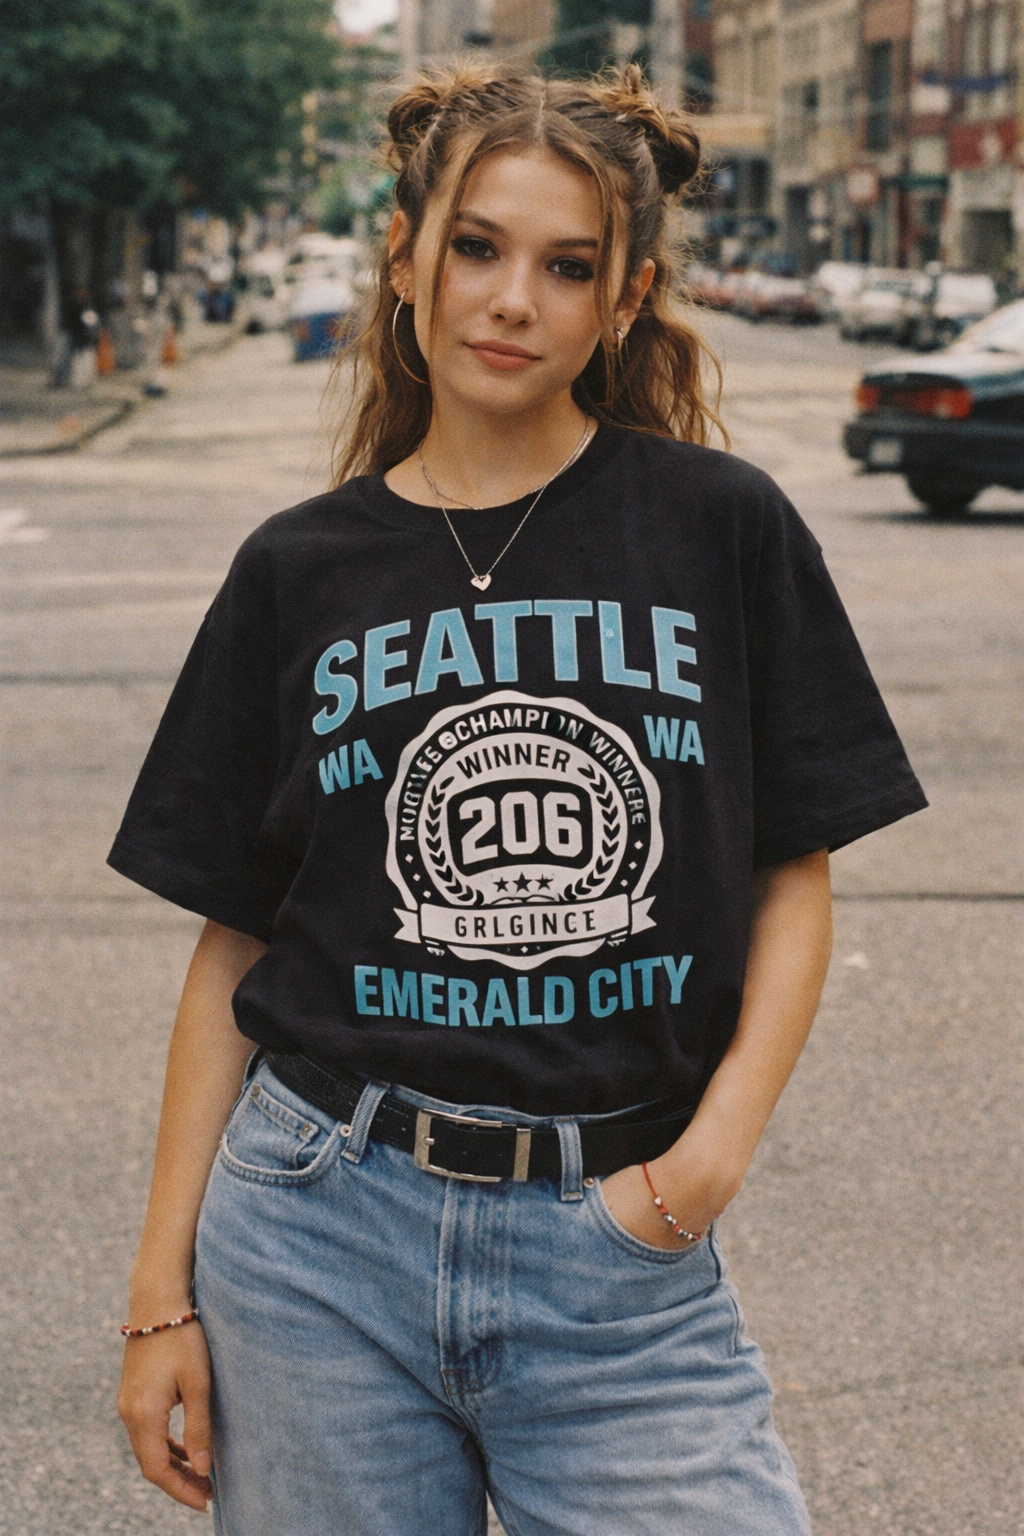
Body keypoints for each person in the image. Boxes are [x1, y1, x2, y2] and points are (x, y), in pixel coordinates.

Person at [112, 63, 926, 1535]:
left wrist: (701, 1171)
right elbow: (236, 944)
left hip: (621, 1252)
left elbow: (790, 876)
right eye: (477, 247)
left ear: (625, 301)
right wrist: (160, 1293)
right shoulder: (298, 570)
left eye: (567, 268)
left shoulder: (718, 528)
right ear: (407, 254)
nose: (511, 299)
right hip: (314, 1232)